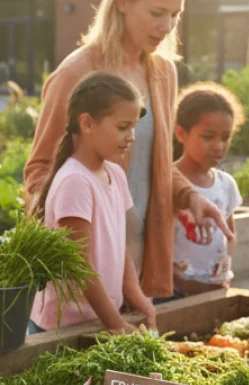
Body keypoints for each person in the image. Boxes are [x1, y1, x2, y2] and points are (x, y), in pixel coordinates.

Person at [24, 0, 233, 301]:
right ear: (122, 4)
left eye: (175, 15)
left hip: (144, 260)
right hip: (88, 267)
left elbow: (157, 164)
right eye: (157, 13)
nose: (167, 26)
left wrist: (190, 197)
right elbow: (40, 170)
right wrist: (76, 240)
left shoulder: (164, 72)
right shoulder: (76, 72)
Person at [29, 72, 157, 334]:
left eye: (133, 126)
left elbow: (119, 246)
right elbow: (80, 265)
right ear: (87, 123)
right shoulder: (75, 182)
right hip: (64, 329)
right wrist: (117, 324)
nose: (132, 136)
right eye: (123, 127)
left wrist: (138, 298)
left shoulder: (115, 174)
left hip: (98, 321)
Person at [171, 82, 245, 294]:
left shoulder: (226, 184)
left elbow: (228, 236)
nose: (218, 146)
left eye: (225, 138)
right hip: (173, 293)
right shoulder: (169, 182)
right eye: (208, 137)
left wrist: (223, 265)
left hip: (214, 289)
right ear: (181, 133)